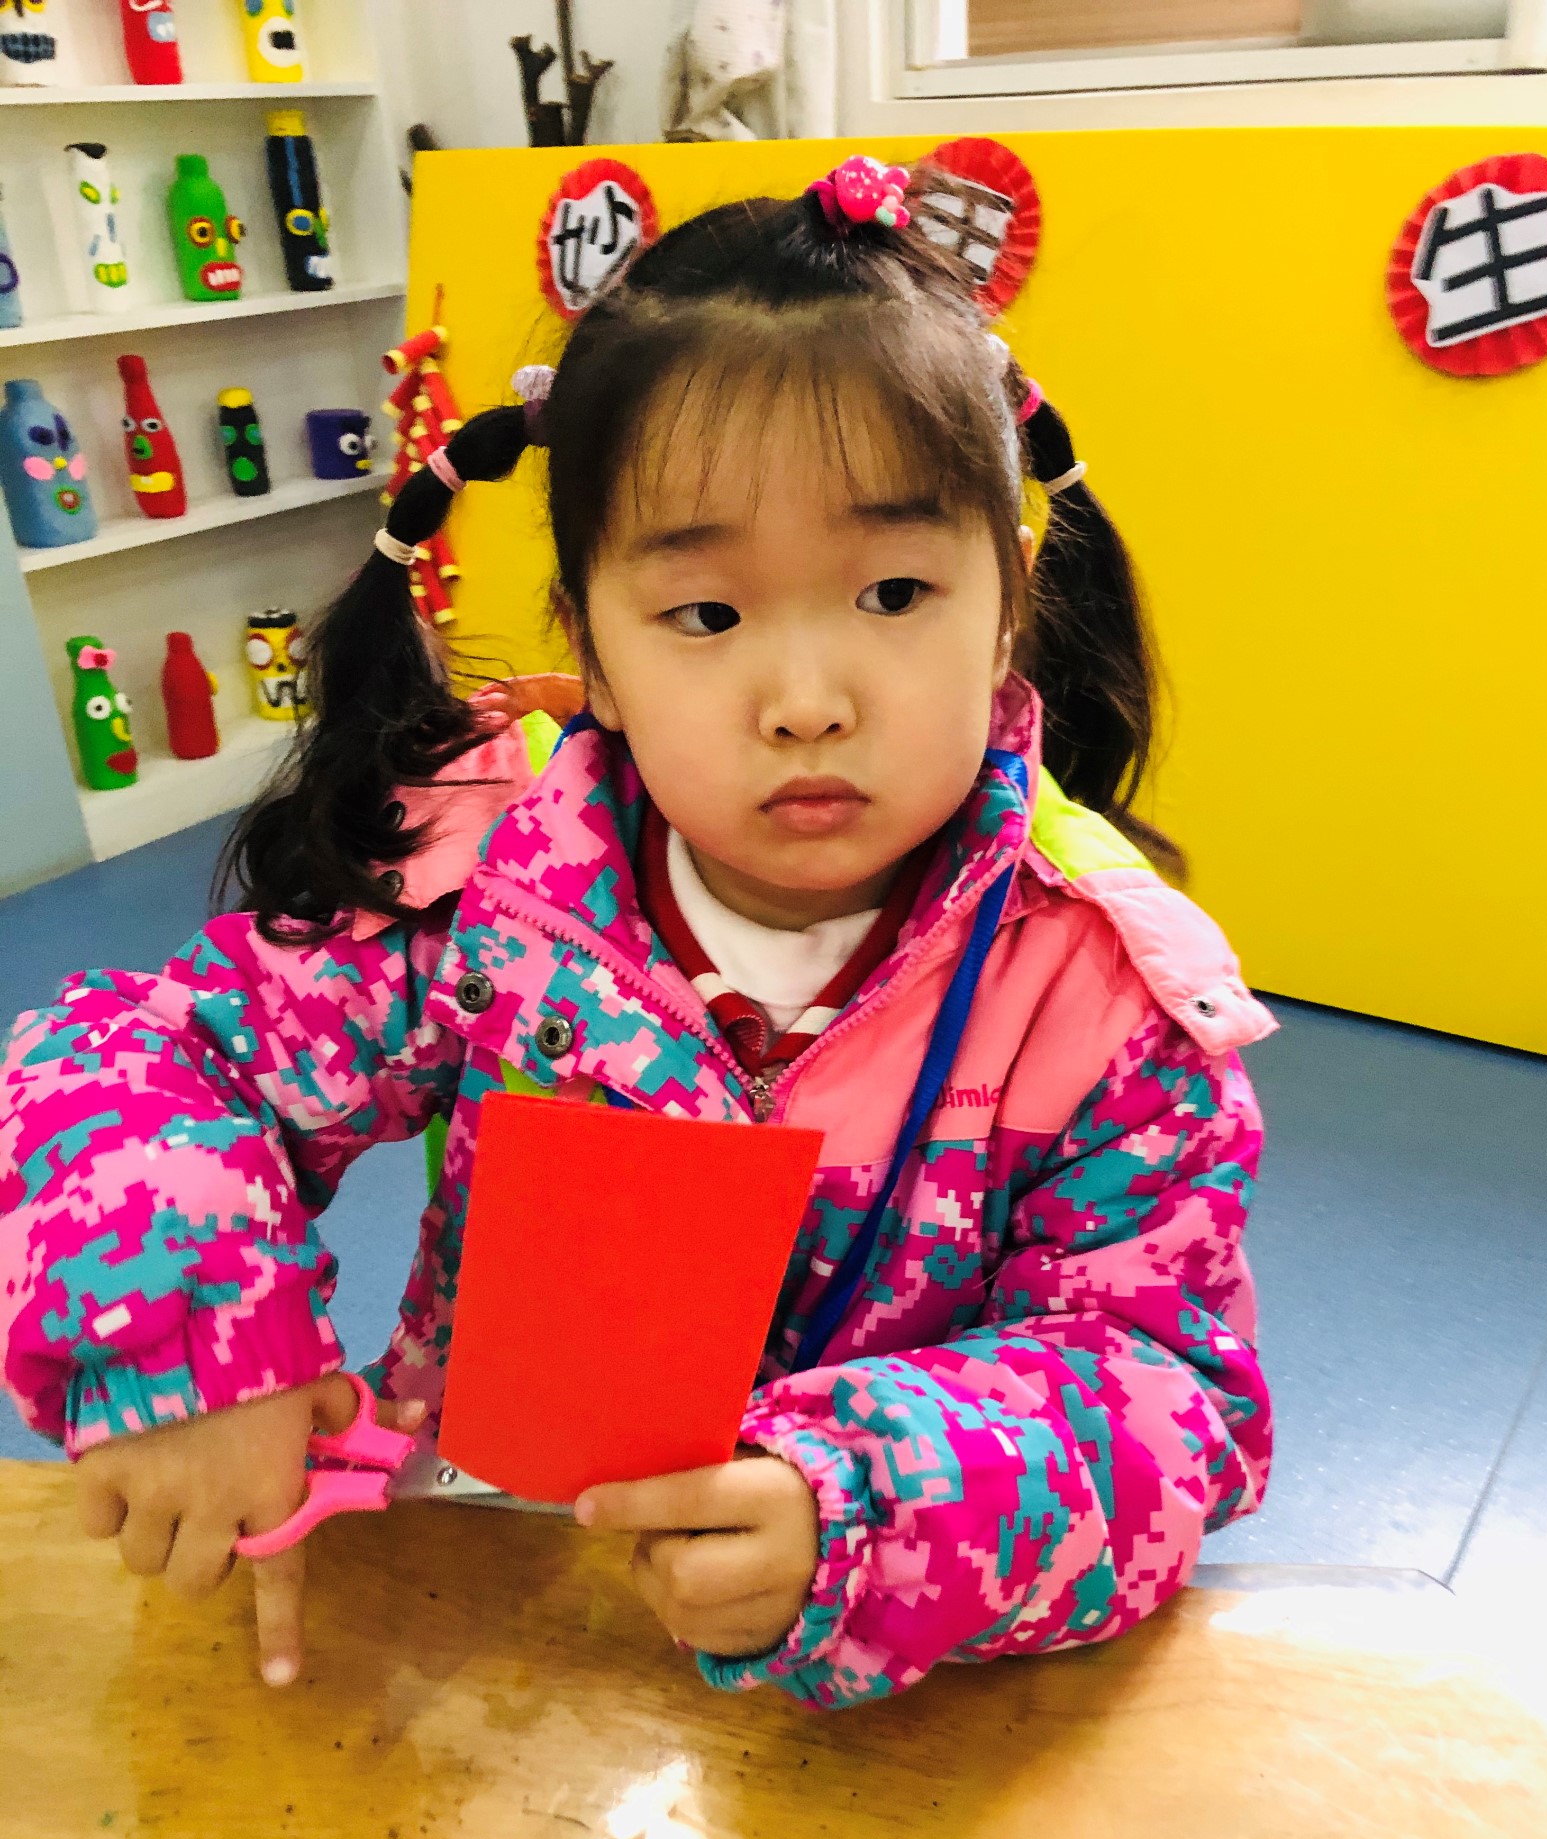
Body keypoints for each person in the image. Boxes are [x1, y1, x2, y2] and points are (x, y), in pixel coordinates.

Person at [0, 156, 1276, 1708]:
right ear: (593, 653)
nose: (806, 699)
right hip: (497, 1601)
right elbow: (136, 1052)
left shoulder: (1104, 998)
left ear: (1008, 604)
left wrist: (858, 1506)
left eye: (892, 591)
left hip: (877, 1678)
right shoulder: (485, 897)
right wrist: (194, 1345)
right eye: (707, 615)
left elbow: (1172, 1393)